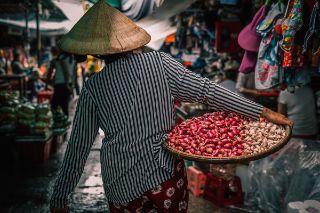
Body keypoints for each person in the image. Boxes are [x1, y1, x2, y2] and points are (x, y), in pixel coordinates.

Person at [50, 1, 293, 213]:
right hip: (163, 176)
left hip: (121, 184)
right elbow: (207, 91)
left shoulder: (94, 86)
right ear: (130, 39)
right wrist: (261, 111)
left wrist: (60, 197)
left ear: (96, 52)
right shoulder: (160, 63)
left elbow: (79, 145)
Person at [47, 47, 75, 118]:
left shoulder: (61, 58)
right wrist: (72, 85)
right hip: (67, 84)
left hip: (61, 84)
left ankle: (58, 122)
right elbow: (72, 74)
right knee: (64, 105)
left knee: (54, 105)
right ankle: (63, 123)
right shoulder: (72, 58)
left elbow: (65, 71)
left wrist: (67, 84)